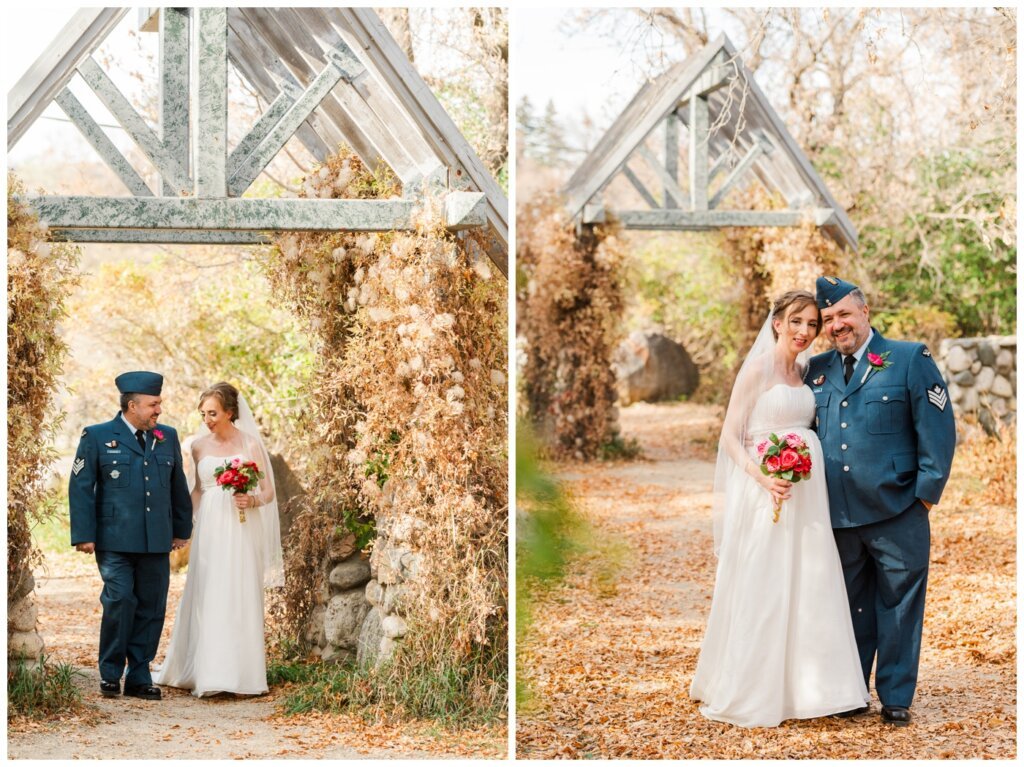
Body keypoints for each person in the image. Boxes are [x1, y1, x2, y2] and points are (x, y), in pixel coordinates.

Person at [690, 291, 869, 728]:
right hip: (767, 490)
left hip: (808, 494)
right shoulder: (757, 369)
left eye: (811, 324)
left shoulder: (806, 370)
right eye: (796, 322)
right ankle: (754, 685)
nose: (804, 332)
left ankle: (814, 688)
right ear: (776, 323)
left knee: (811, 579)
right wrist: (762, 476)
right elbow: (729, 437)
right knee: (765, 581)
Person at [807, 277, 956, 726]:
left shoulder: (908, 358)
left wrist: (924, 499)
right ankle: (851, 691)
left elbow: (938, 431)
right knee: (847, 606)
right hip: (838, 514)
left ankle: (895, 696)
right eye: (828, 319)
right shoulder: (814, 369)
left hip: (898, 511)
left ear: (865, 311)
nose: (837, 325)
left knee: (899, 606)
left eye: (844, 314)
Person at [69, 371, 192, 701]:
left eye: (159, 404)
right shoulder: (97, 436)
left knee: (151, 607)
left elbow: (177, 485)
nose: (159, 411)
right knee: (120, 600)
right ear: (132, 405)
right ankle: (110, 672)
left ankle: (139, 675)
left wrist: (182, 530)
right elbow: (81, 487)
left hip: (156, 539)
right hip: (113, 540)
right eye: (154, 405)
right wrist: (84, 534)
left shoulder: (167, 436)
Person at [154, 382, 282, 697]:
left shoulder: (250, 445)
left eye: (213, 413)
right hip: (211, 527)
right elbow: (198, 489)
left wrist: (251, 501)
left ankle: (240, 672)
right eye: (203, 414)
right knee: (208, 589)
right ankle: (206, 670)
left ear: (229, 412)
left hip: (240, 528)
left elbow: (268, 492)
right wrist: (184, 525)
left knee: (237, 590)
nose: (207, 419)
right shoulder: (198, 446)